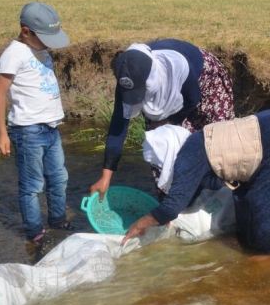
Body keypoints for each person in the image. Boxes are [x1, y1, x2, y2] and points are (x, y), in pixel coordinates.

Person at [121, 109, 270, 254]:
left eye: (157, 163)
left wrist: (140, 224)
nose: (159, 167)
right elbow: (191, 192)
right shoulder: (193, 142)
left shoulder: (186, 160)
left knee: (264, 215)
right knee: (248, 201)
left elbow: (171, 208)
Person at [89, 38, 235, 200]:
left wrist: (170, 121)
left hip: (203, 80)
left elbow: (192, 99)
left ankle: (220, 195)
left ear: (151, 79)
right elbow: (118, 126)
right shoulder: (128, 79)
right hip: (167, 94)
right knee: (161, 144)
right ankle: (175, 203)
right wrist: (106, 177)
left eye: (142, 90)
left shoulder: (177, 67)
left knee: (216, 140)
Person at [0, 2, 74, 245]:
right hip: (28, 131)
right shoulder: (13, 55)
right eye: (46, 37)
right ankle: (34, 231)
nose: (50, 43)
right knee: (32, 185)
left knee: (59, 178)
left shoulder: (40, 49)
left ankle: (57, 220)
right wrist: (2, 133)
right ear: (26, 31)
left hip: (50, 127)